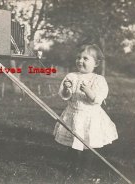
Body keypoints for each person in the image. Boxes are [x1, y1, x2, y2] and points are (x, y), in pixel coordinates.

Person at [53, 44, 118, 180]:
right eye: (78, 58)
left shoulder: (98, 79)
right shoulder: (71, 76)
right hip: (73, 114)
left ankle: (85, 170)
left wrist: (88, 91)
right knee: (72, 144)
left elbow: (98, 99)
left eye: (85, 58)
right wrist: (66, 88)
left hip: (90, 117)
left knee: (89, 144)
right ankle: (73, 167)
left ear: (96, 63)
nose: (80, 61)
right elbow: (65, 96)